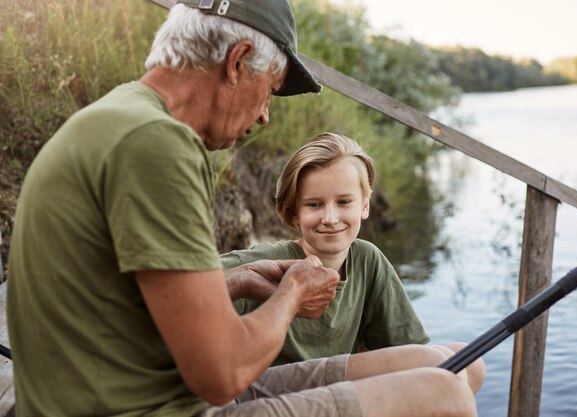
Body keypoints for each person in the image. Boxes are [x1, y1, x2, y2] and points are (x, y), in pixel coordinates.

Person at [7, 1, 483, 416]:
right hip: (145, 406)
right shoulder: (155, 143)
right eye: (270, 91)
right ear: (237, 62)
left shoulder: (123, 114)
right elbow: (222, 373)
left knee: (444, 362)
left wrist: (236, 279)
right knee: (444, 394)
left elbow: (118, 293)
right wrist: (291, 294)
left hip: (155, 388)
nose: (264, 116)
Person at [222, 133, 432, 365]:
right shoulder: (262, 261)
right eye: (314, 204)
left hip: (333, 384)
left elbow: (408, 349)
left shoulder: (368, 259)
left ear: (364, 206)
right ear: (294, 214)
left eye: (343, 202)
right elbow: (187, 287)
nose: (330, 218)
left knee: (462, 360)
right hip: (278, 390)